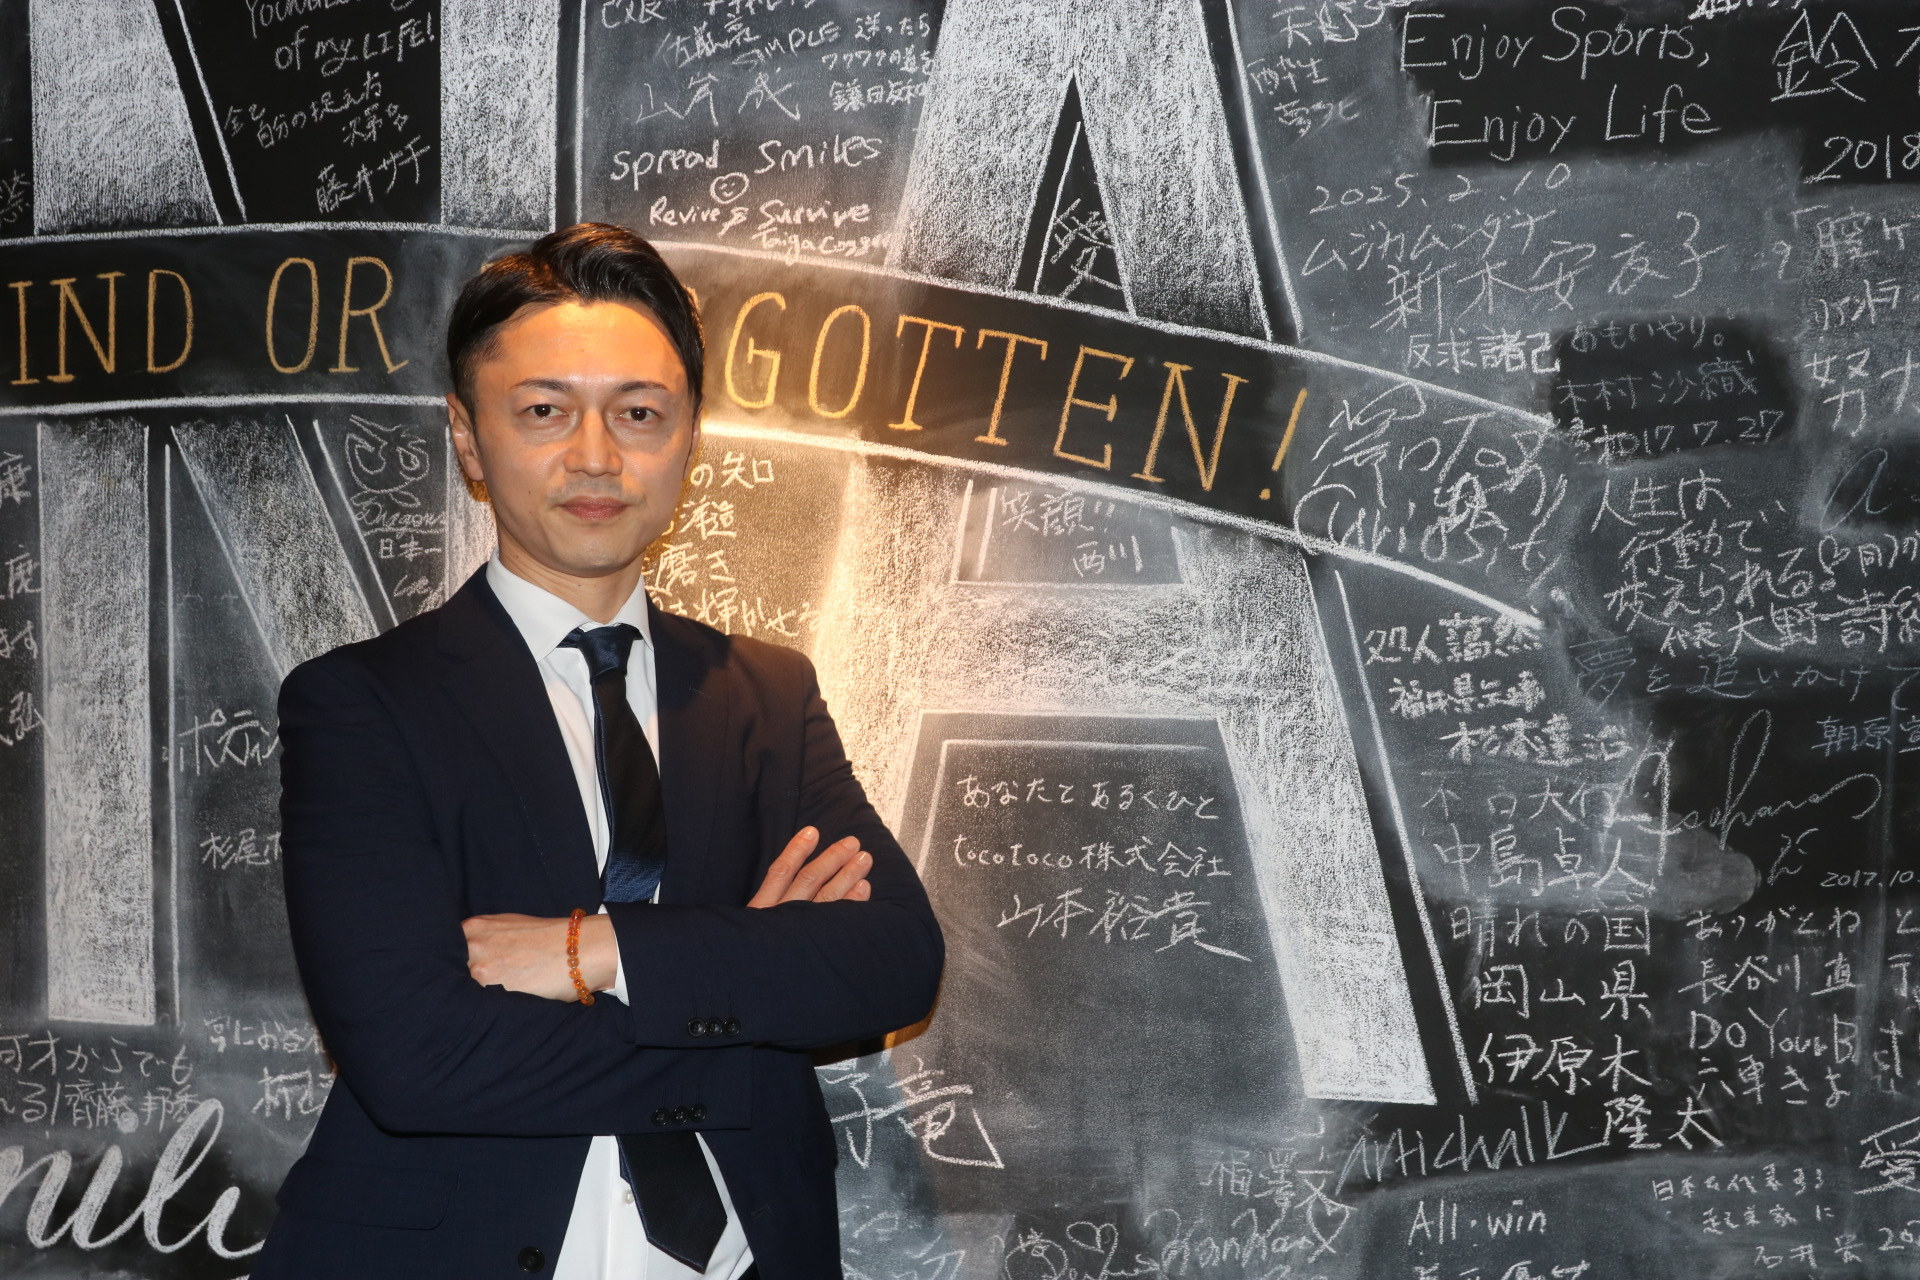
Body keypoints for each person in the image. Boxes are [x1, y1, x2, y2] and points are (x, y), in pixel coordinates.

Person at [252, 223, 944, 1280]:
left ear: (689, 438)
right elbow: (418, 1057)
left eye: (639, 412)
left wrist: (594, 951)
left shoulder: (766, 692)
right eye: (544, 410)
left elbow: (894, 961)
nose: (595, 455)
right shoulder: (363, 704)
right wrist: (748, 1006)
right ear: (469, 439)